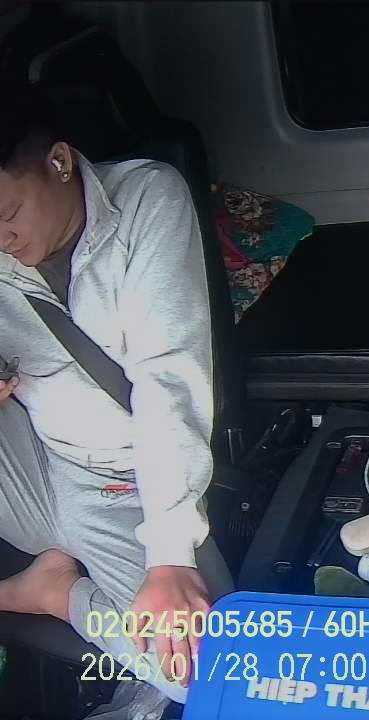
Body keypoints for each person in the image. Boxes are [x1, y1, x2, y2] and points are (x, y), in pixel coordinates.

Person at [0, 91, 231, 709]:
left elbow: (168, 378)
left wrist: (170, 557)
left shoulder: (147, 199)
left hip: (123, 479)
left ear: (58, 162)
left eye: (7, 213)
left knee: (201, 674)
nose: (1, 240)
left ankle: (56, 594)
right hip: (28, 463)